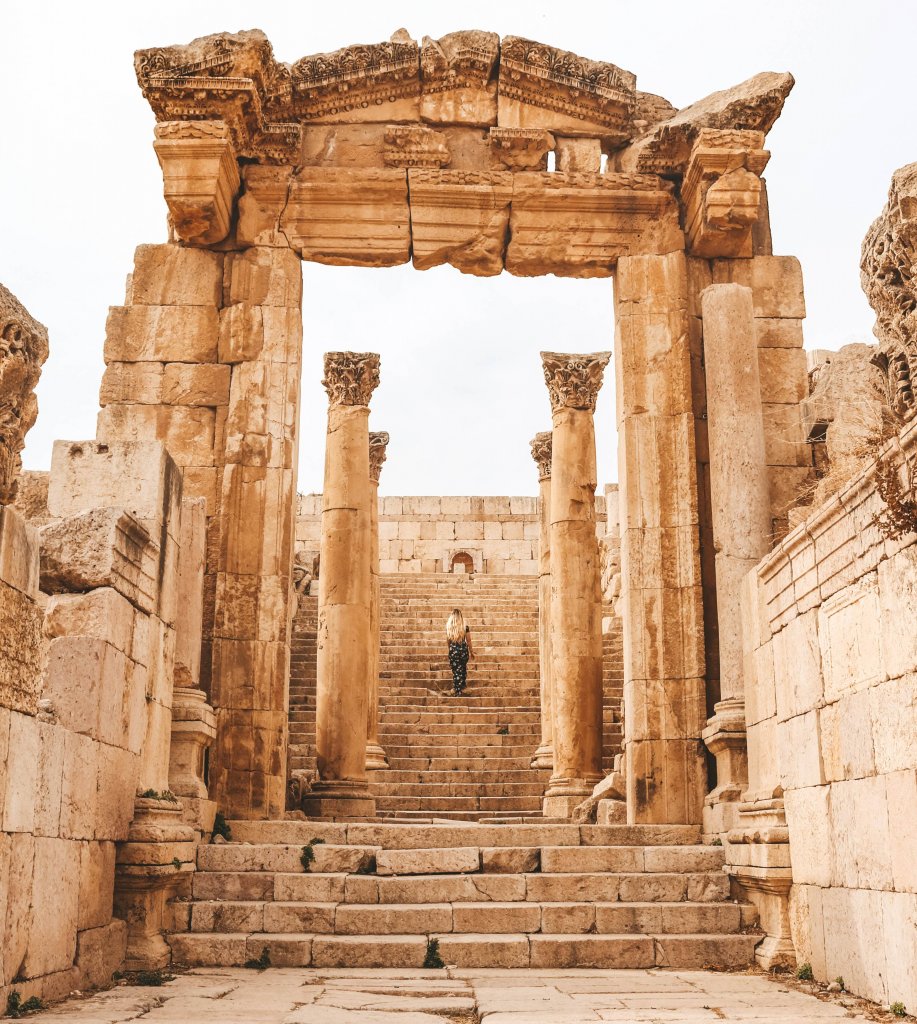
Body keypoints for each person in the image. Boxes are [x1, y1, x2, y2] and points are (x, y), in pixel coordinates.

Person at [445, 608, 474, 696]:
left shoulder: (449, 627)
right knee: (462, 669)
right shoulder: (465, 627)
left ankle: (456, 689)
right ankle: (461, 687)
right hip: (463, 650)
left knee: (456, 670)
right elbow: (468, 640)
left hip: (453, 650)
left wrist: (450, 650)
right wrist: (471, 651)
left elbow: (448, 640)